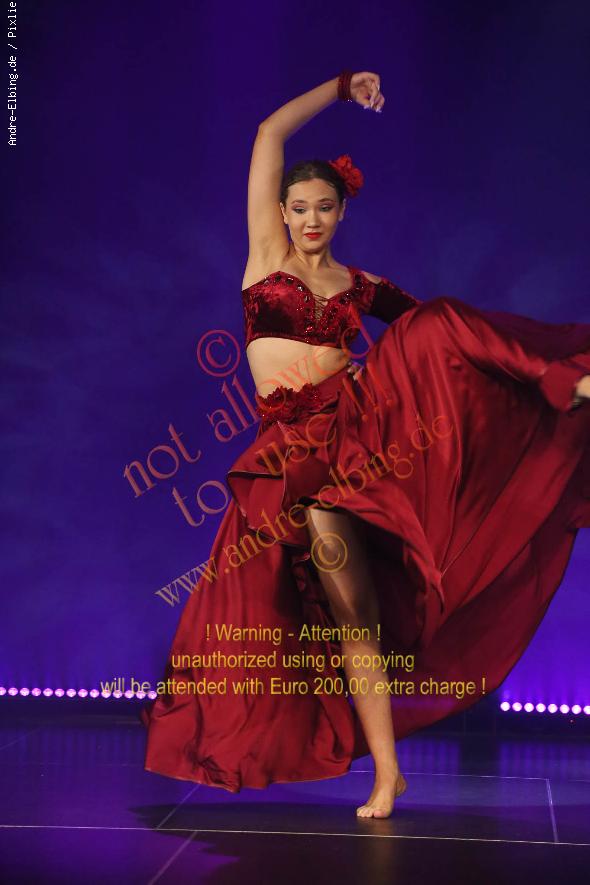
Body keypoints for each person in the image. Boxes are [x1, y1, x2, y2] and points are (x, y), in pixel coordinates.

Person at [140, 70, 590, 819]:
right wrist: (343, 87)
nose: (310, 219)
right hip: (290, 450)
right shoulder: (266, 260)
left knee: (438, 323)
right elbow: (270, 133)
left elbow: (429, 336)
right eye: (299, 208)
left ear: (341, 211)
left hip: (352, 440)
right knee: (345, 608)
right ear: (281, 212)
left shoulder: (358, 283)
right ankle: (387, 769)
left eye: (324, 207)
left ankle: (557, 381)